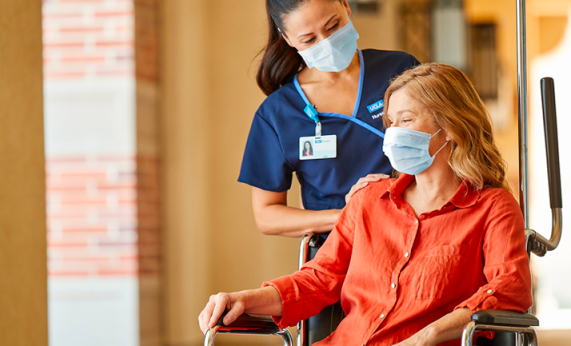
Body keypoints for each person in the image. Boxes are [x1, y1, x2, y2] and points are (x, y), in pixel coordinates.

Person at [200, 63, 532, 346]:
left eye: (406, 120)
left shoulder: (493, 207)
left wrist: (426, 337)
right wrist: (243, 299)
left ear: (450, 128)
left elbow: (509, 290)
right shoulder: (369, 200)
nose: (393, 134)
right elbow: (316, 281)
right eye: (389, 123)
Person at [240, 0, 421, 238]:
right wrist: (351, 213)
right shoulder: (277, 114)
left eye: (333, 26)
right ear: (288, 39)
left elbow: (446, 144)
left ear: (345, 5)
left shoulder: (399, 70)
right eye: (309, 40)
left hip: (418, 230)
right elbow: (267, 215)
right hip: (342, 250)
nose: (326, 43)